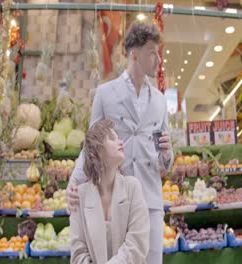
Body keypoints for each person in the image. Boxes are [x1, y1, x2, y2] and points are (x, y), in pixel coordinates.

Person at [68, 21, 173, 263]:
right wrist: (74, 182)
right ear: (134, 54)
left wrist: (167, 155)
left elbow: (165, 160)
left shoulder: (159, 100)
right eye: (152, 52)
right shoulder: (106, 94)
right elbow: (91, 144)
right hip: (118, 200)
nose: (157, 59)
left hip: (151, 199)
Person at [70, 119, 150, 263]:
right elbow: (78, 252)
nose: (120, 142)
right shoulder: (79, 196)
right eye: (112, 139)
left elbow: (137, 245)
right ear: (97, 150)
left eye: (118, 137)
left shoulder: (133, 187)